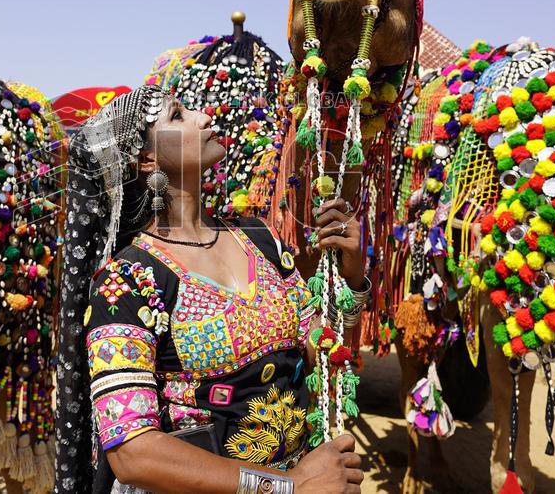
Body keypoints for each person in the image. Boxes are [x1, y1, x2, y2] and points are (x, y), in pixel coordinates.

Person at [55, 85, 370, 494]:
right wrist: (287, 486)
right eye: (178, 115)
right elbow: (133, 454)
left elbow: (319, 349)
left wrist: (353, 271)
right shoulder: (128, 279)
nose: (204, 117)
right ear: (146, 159)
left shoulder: (260, 238)